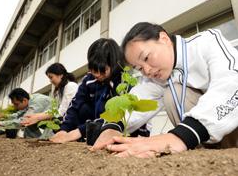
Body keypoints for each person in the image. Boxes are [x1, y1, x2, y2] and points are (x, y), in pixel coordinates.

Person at [92, 22, 238, 157]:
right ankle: (204, 154)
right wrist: (113, 126)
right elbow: (137, 98)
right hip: (209, 138)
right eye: (140, 68)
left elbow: (231, 82)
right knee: (172, 93)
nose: (147, 70)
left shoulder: (206, 42)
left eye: (147, 58)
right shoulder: (159, 76)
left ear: (164, 39)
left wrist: (181, 136)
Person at [50, 38, 126, 143]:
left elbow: (115, 116)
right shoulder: (88, 80)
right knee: (82, 107)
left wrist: (79, 131)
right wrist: (64, 129)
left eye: (103, 71)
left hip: (115, 128)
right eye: (94, 70)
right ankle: (86, 136)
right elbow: (75, 104)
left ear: (113, 64)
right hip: (92, 126)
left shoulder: (122, 81)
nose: (98, 75)